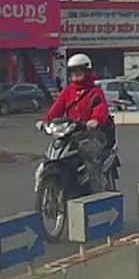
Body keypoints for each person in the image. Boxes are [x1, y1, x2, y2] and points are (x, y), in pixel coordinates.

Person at [38, 54, 115, 188]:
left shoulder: (95, 92)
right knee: (50, 156)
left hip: (91, 134)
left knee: (90, 158)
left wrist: (95, 120)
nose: (76, 74)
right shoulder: (68, 91)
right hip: (71, 133)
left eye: (79, 71)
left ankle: (98, 191)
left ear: (87, 72)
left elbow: (101, 108)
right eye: (73, 71)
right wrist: (45, 121)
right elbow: (56, 109)